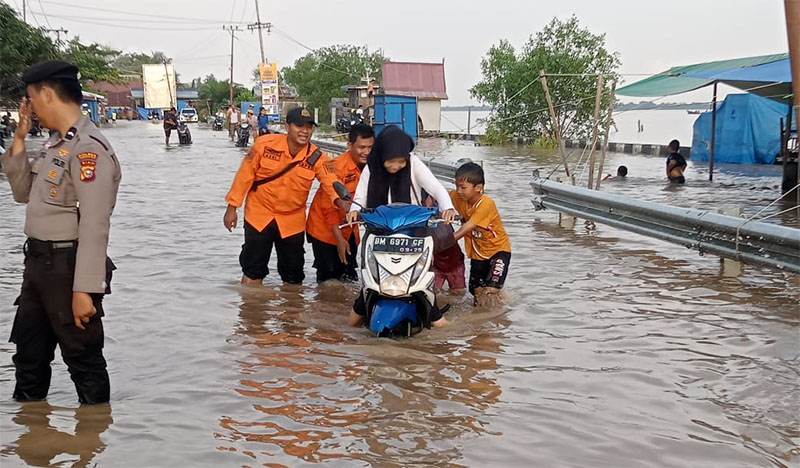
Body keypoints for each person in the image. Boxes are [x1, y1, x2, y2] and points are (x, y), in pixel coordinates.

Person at [0, 60, 122, 404]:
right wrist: (20, 139)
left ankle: (94, 440)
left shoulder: (89, 149)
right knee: (28, 356)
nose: (31, 109)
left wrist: (85, 289)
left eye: (31, 99)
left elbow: (96, 224)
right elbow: (23, 193)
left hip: (67, 266)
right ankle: (32, 438)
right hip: (37, 265)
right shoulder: (56, 144)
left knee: (82, 359)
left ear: (47, 93)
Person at [345, 125, 456, 328]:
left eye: (400, 161)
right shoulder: (372, 166)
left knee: (421, 279)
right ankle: (348, 328)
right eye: (391, 161)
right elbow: (360, 196)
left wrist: (448, 207)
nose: (396, 166)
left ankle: (436, 317)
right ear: (382, 155)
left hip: (412, 232)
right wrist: (353, 210)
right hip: (378, 232)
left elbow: (437, 188)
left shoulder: (413, 163)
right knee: (369, 282)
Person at [223, 107, 348, 285]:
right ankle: (251, 311)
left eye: (309, 127)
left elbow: (331, 181)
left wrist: (342, 201)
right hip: (259, 215)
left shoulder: (318, 157)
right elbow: (244, 176)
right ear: (287, 126)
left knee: (293, 276)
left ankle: (291, 311)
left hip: (292, 221)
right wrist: (232, 208)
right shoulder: (264, 145)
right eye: (299, 126)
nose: (305, 131)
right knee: (253, 270)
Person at [306, 124, 374, 283]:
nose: (367, 152)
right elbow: (327, 207)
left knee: (350, 275)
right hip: (325, 229)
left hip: (350, 228)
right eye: (361, 147)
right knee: (328, 280)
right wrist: (338, 240)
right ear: (350, 145)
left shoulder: (373, 167)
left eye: (371, 147)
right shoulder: (336, 167)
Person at [450, 162, 511, 307]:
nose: (458, 191)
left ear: (478, 188)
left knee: (492, 288)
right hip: (477, 253)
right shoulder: (459, 198)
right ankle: (480, 322)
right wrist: (430, 200)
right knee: (476, 291)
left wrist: (444, 241)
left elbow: (467, 227)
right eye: (457, 186)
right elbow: (440, 194)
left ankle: (501, 309)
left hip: (498, 251)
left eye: (463, 187)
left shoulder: (486, 204)